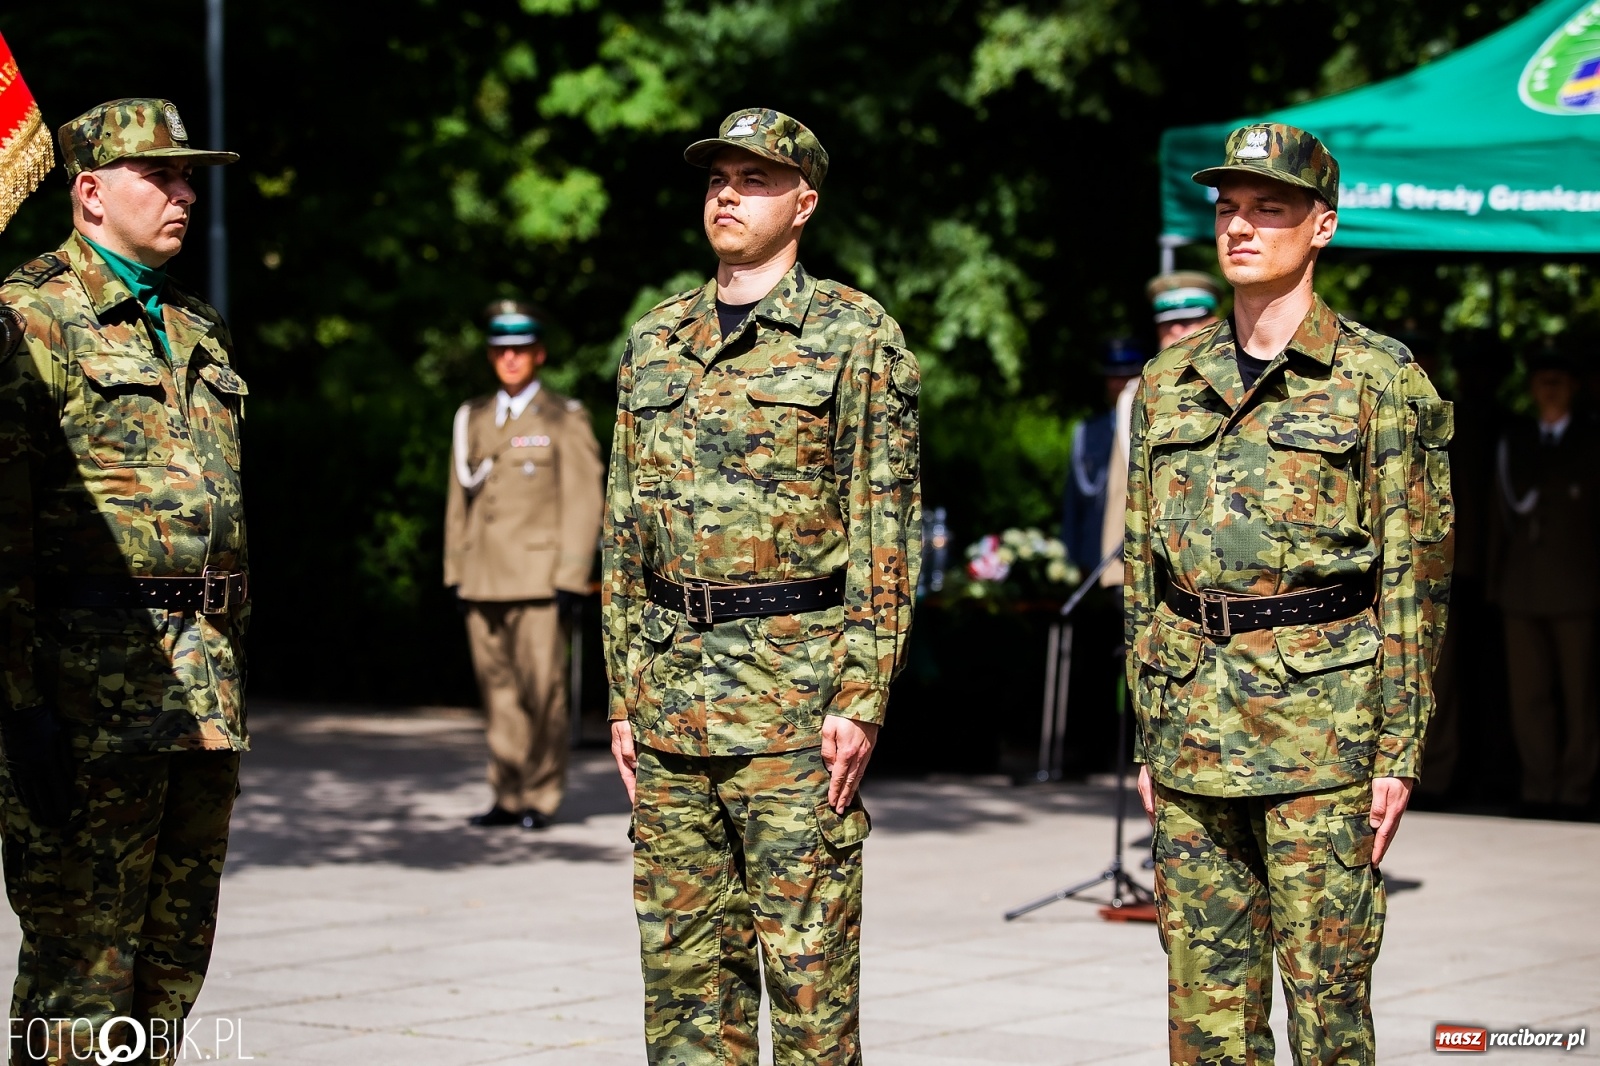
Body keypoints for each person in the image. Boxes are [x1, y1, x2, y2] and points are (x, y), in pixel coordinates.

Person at [1124, 123, 1454, 1064]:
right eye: (1229, 208)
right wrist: (1150, 732)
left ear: (1323, 227)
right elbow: (1143, 578)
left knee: (1328, 1012)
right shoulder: (1167, 382)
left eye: (1269, 209)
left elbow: (1414, 579)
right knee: (1205, 1020)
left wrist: (1400, 750)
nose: (1240, 226)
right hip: (1192, 735)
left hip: (1325, 735)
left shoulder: (1378, 380)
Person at [601, 107, 921, 1065]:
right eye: (716, 179)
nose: (728, 194)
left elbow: (886, 535)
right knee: (684, 988)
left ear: (805, 204)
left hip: (796, 703)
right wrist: (621, 695)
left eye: (756, 179)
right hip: (668, 704)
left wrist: (863, 697)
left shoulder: (858, 337)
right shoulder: (656, 340)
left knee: (810, 987)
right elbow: (621, 536)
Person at [0, 98, 247, 1064]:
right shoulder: (27, 319)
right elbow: (5, 530)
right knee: (81, 971)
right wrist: (21, 703)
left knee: (170, 967)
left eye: (190, 177)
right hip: (85, 698)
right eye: (164, 175)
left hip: (203, 694)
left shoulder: (195, 324)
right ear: (91, 192)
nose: (185, 192)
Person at [444, 301, 603, 830]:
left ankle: (540, 795)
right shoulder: (474, 416)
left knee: (543, 694)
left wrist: (572, 573)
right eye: (500, 350)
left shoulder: (563, 417)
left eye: (519, 350)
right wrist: (456, 569)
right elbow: (458, 500)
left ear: (538, 354)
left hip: (538, 580)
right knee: (499, 694)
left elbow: (584, 498)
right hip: (482, 576)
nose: (509, 359)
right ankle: (506, 794)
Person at [1487, 348, 1600, 819]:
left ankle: (1576, 789)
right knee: (1528, 696)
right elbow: (1498, 518)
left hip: (1580, 588)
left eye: (1558, 379)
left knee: (1581, 697)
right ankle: (1538, 786)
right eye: (1541, 380)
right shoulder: (1515, 440)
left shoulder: (1592, 438)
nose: (1549, 388)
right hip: (1523, 587)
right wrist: (1493, 584)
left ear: (1573, 386)